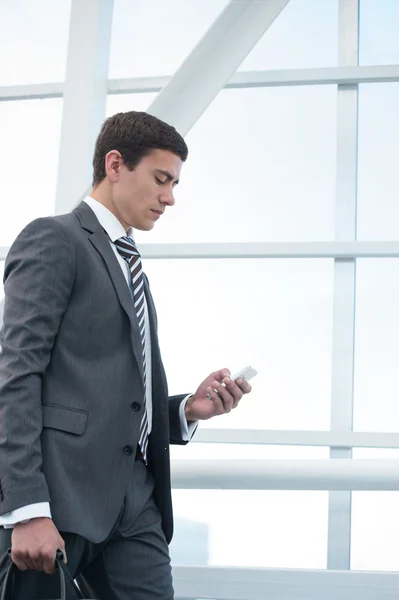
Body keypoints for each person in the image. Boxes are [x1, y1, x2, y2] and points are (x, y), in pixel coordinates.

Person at [0, 111, 252, 599]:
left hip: (135, 501)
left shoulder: (129, 262)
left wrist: (185, 410)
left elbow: (114, 389)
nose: (170, 197)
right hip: (59, 491)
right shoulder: (56, 239)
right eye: (161, 179)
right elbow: (16, 374)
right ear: (115, 164)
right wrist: (28, 507)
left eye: (175, 184)